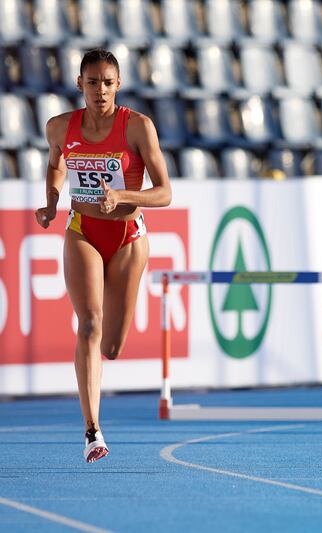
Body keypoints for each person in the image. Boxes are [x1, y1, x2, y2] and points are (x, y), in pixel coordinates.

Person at [34, 49, 172, 462]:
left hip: (129, 236)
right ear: (80, 84)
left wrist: (124, 195)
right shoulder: (60, 126)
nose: (100, 91)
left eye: (108, 82)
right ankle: (93, 431)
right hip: (83, 230)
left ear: (118, 84)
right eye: (92, 82)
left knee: (110, 346)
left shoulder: (138, 127)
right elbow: (56, 164)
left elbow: (164, 192)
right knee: (89, 324)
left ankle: (98, 404)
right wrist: (51, 202)